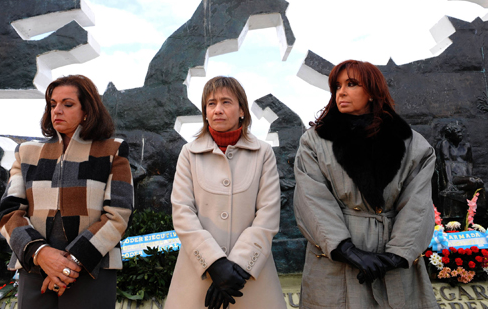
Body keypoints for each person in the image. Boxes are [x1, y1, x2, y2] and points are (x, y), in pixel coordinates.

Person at [293, 60, 438, 309]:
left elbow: (418, 205)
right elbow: (311, 200)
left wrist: (394, 256)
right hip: (336, 260)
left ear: (372, 91)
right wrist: (347, 250)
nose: (341, 92)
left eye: (351, 84)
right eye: (337, 86)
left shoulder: (415, 145)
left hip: (393, 258)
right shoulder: (314, 142)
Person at [0, 75, 133, 309]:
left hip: (92, 268)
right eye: (53, 104)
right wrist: (41, 254)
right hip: (34, 267)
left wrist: (69, 263)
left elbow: (118, 215)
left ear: (87, 111)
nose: (57, 110)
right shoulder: (26, 153)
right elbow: (9, 213)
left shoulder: (113, 150)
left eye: (67, 104)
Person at [166, 76, 285, 309]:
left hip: (250, 279)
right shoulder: (188, 153)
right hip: (198, 276)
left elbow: (268, 214)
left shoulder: (263, 153)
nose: (217, 110)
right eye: (211, 104)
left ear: (242, 110)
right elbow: (182, 211)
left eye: (226, 102)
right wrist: (215, 264)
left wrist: (238, 268)